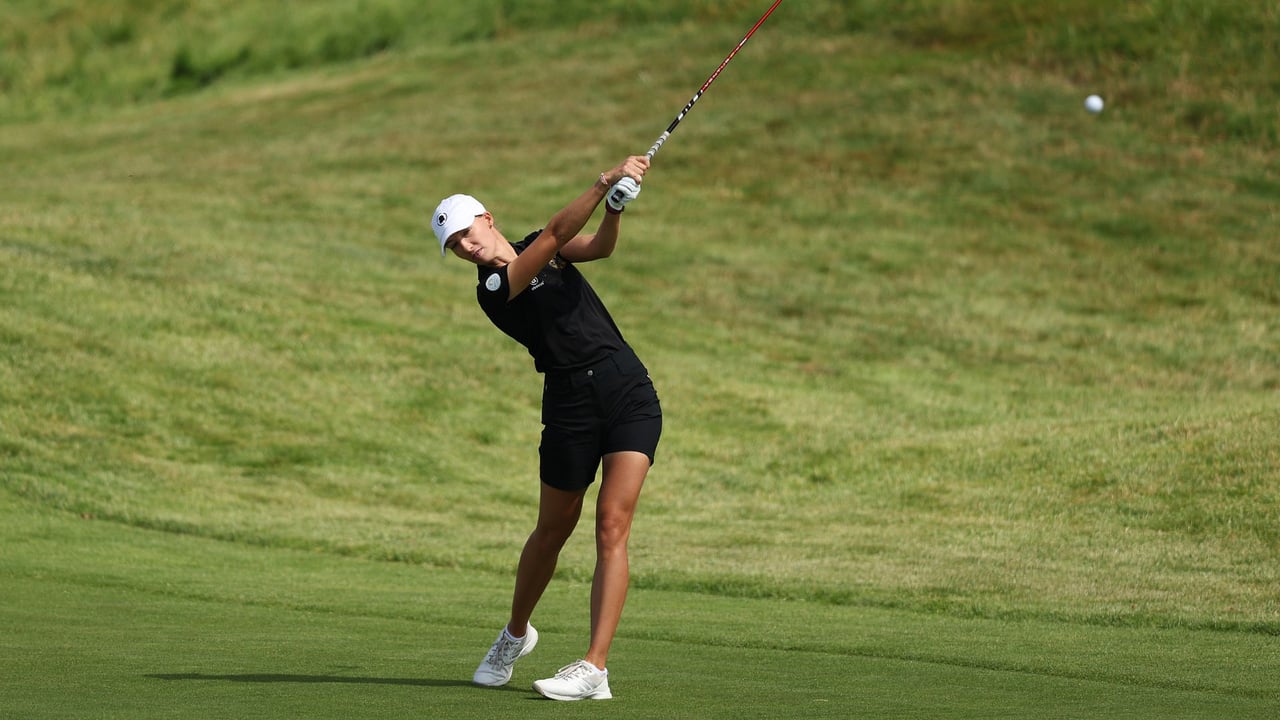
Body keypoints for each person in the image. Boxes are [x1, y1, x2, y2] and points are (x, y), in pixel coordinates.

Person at [430, 155, 661, 701]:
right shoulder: (493, 287)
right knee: (553, 529)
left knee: (612, 525)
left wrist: (615, 211)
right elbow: (559, 231)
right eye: (454, 245)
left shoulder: (542, 244)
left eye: (467, 232)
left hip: (627, 389)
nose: (465, 245)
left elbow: (597, 247)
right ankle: (514, 634)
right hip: (569, 405)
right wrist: (603, 181)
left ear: (488, 218)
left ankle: (594, 666)